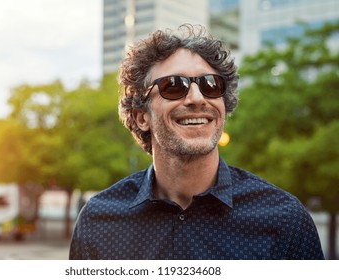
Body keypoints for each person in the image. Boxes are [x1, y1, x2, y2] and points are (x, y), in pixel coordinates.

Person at [69, 24, 324, 260]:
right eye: (173, 86)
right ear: (142, 117)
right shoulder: (97, 222)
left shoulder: (286, 220)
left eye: (210, 85)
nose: (197, 98)